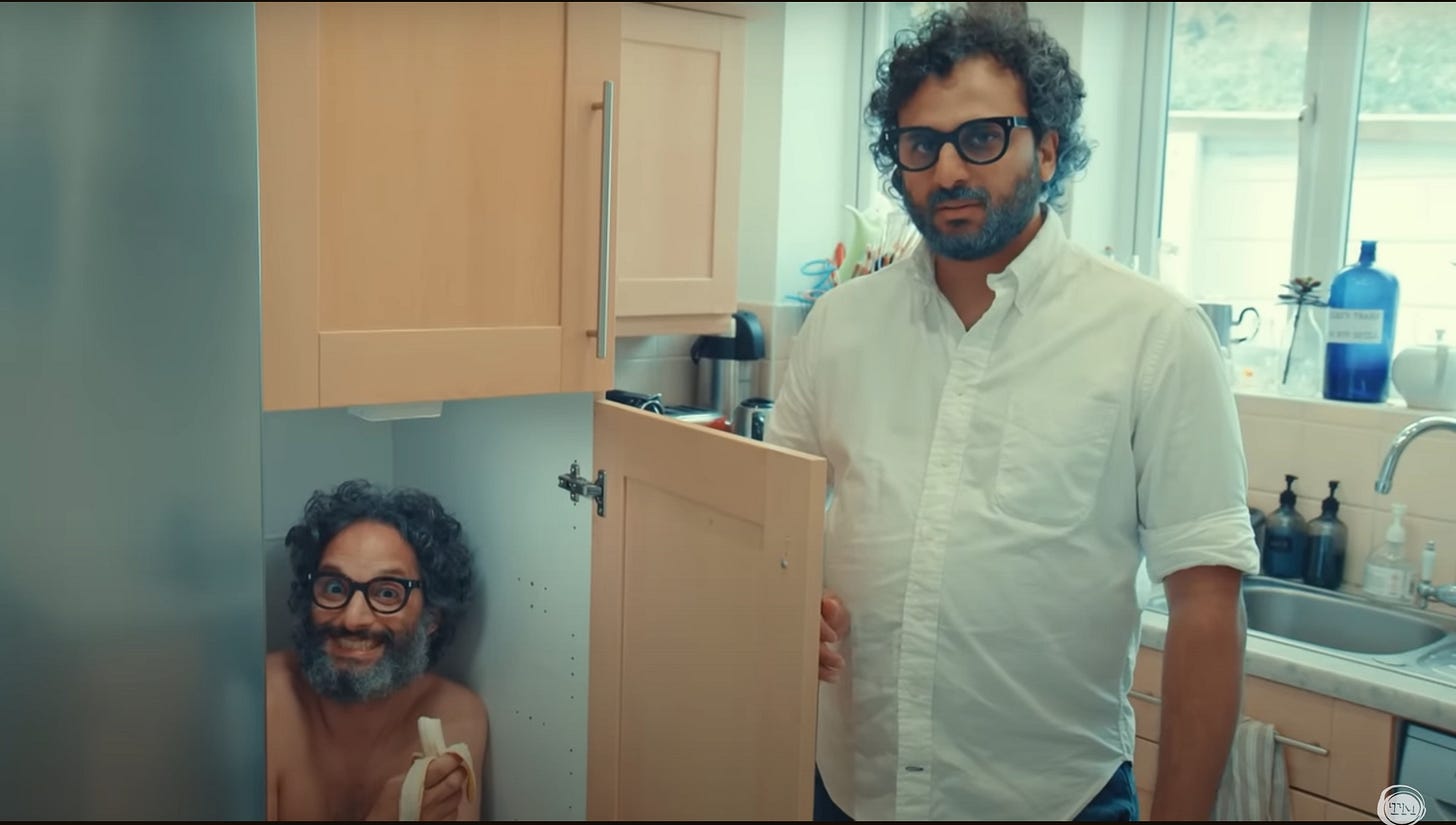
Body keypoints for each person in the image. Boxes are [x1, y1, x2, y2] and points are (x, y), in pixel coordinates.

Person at [766, 7, 1260, 822]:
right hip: (852, 787)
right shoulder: (839, 324)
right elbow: (771, 523)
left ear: (1049, 148)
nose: (948, 169)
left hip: (1056, 798)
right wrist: (792, 594)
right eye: (920, 144)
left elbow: (1207, 607)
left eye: (982, 137)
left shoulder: (1154, 335)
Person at [266, 480, 488, 821]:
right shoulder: (265, 701)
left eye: (387, 593)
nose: (353, 618)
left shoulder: (455, 715)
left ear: (431, 617)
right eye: (334, 587)